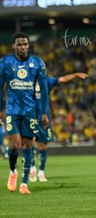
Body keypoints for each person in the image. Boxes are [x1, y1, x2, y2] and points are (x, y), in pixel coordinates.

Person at [0, 32, 50, 194]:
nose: (23, 47)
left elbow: (43, 90)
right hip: (12, 110)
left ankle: (24, 183)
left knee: (28, 145)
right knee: (14, 144)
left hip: (30, 111)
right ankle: (13, 171)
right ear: (14, 46)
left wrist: (43, 112)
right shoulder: (5, 62)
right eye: (19, 44)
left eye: (25, 44)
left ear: (28, 45)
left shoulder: (37, 63)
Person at [29, 72, 88, 182]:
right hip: (30, 115)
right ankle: (32, 169)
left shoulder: (47, 81)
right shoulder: (26, 81)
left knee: (42, 145)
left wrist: (75, 75)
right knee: (30, 142)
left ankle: (41, 172)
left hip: (44, 117)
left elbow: (63, 79)